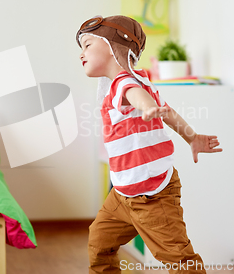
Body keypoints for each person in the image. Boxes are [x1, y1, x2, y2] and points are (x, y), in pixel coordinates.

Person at [76, 15, 223, 274]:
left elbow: (137, 96)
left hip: (152, 195)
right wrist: (192, 137)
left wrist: (145, 106)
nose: (81, 53)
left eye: (87, 45)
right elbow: (167, 112)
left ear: (112, 47)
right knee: (100, 242)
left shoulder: (125, 81)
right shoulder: (135, 81)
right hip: (123, 194)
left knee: (178, 257)